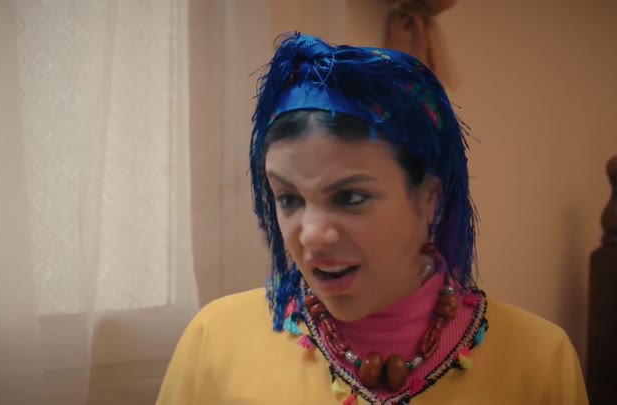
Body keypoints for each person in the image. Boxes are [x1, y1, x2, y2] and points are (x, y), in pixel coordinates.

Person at [156, 33, 588, 404]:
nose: (312, 236)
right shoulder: (216, 339)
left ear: (430, 198)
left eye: (350, 197)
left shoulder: (538, 358)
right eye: (288, 199)